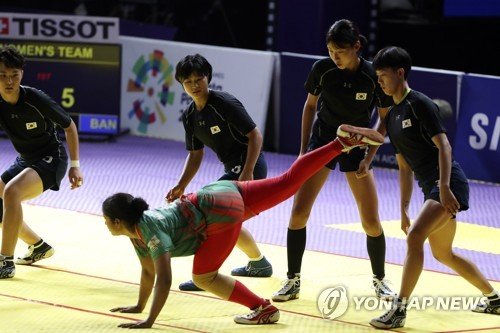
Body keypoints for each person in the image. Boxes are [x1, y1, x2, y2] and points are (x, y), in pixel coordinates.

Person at [102, 124, 385, 328]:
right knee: (288, 182)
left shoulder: (149, 234)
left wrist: (149, 320)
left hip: (216, 211)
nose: (105, 225)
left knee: (203, 277)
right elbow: (148, 271)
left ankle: (261, 308)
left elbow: (163, 278)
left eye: (106, 220)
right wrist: (138, 306)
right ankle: (341, 143)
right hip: (219, 191)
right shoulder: (136, 229)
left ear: (117, 221)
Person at [369, 46, 499, 329]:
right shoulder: (391, 117)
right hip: (432, 187)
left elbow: (445, 146)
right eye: (377, 76)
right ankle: (494, 298)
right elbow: (404, 167)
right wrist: (403, 209)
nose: (379, 81)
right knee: (443, 254)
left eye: (383, 75)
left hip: (449, 183)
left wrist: (443, 187)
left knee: (415, 238)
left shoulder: (419, 104)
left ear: (400, 73)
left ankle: (399, 310)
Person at [272, 19, 395, 302]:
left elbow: (385, 119)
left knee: (371, 222)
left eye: (340, 50)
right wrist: (304, 151)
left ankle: (380, 281)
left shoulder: (371, 75)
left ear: (356, 46)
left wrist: (369, 156)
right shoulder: (322, 69)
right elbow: (310, 106)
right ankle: (292, 280)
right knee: (298, 214)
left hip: (357, 147)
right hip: (324, 142)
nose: (335, 57)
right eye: (330, 50)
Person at [167, 54, 272, 292]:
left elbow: (255, 136)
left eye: (199, 79)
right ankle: (259, 263)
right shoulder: (190, 116)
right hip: (233, 170)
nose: (195, 85)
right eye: (188, 81)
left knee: (210, 214)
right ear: (182, 84)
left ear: (208, 78)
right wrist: (181, 185)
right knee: (226, 219)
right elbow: (195, 154)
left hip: (250, 167)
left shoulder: (224, 103)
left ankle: (205, 276)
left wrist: (247, 172)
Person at [0, 45, 83, 279]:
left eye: (14, 75)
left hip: (51, 159)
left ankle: (5, 261)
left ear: (21, 74)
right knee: (1, 194)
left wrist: (75, 164)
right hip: (26, 160)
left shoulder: (35, 99)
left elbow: (69, 127)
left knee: (12, 192)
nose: (8, 81)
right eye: (2, 75)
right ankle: (38, 246)